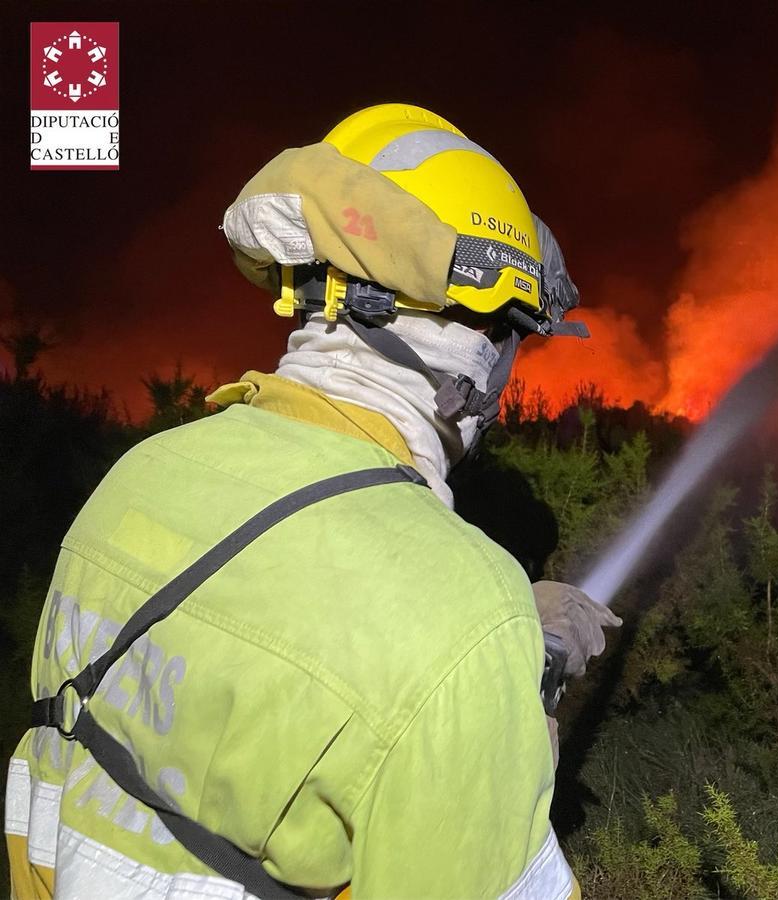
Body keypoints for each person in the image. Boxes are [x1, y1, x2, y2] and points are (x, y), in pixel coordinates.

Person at [5, 103, 620, 899]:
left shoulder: (138, 478)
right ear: (476, 342)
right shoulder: (465, 616)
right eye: (511, 336)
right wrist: (491, 681)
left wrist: (496, 658)